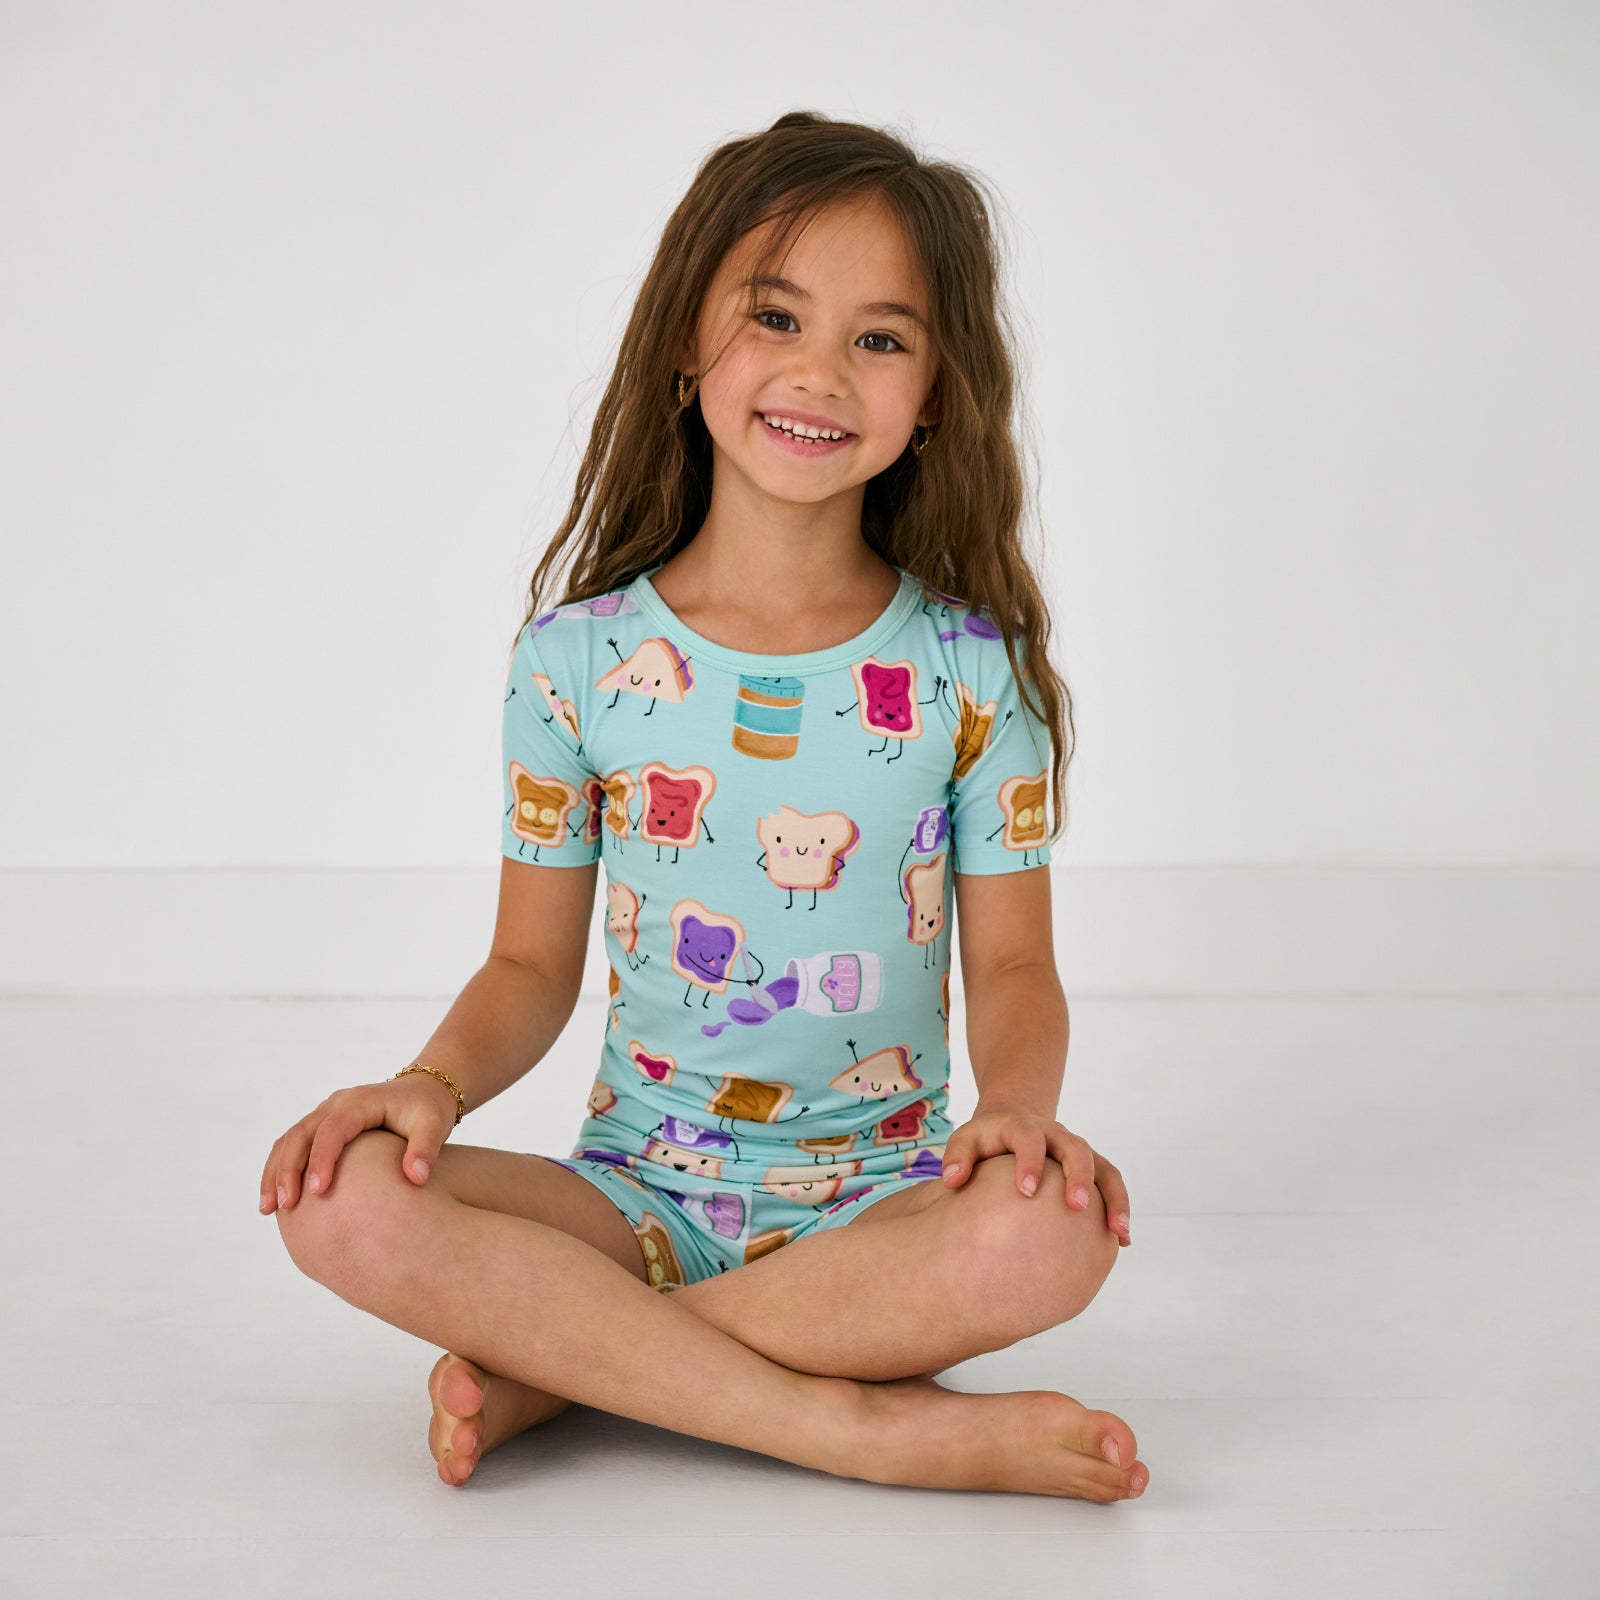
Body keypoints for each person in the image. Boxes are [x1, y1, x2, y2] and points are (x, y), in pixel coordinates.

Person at [261, 110, 1146, 1503]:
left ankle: (572, 1365)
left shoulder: (974, 672)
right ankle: (857, 1427)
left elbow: (1019, 970)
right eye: (775, 316)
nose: (819, 371)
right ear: (688, 339)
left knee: (1058, 1233)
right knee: (343, 1196)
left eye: (881, 338)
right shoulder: (577, 662)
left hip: (884, 1208)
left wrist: (1018, 1117)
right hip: (631, 1199)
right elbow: (528, 964)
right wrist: (426, 1088)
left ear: (936, 392)